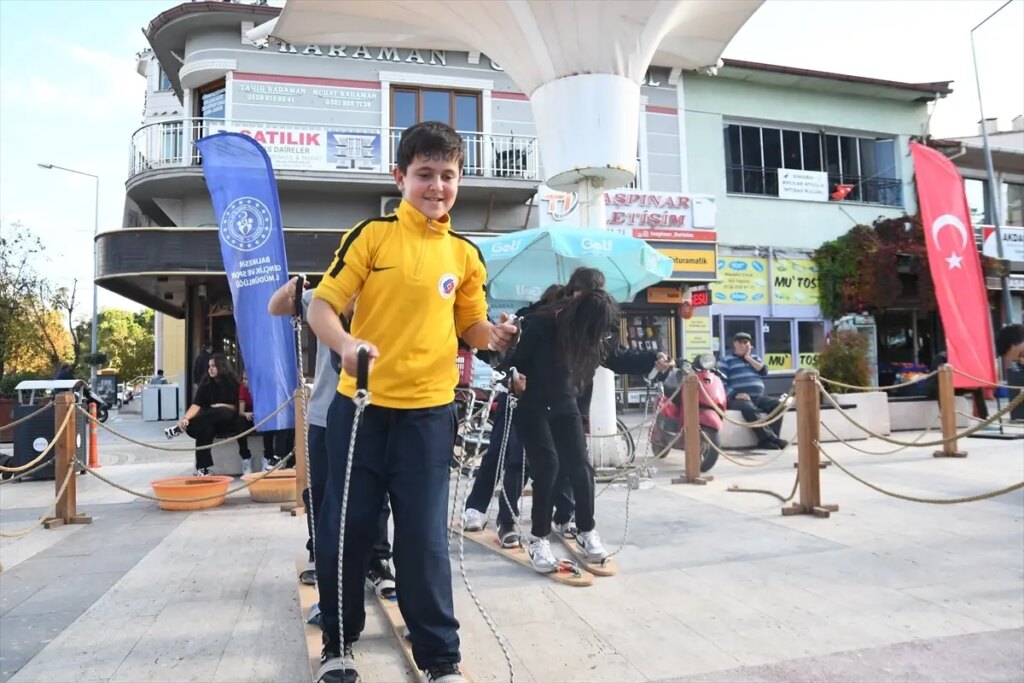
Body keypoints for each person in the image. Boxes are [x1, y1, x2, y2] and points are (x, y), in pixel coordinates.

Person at [307, 121, 515, 683]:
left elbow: (470, 325)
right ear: (399, 177)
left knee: (423, 540)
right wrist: (345, 345)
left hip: (429, 415)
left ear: (459, 181)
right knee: (347, 529)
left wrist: (494, 337)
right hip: (361, 411)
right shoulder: (371, 236)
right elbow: (322, 306)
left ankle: (441, 659)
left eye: (447, 175)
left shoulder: (465, 254)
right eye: (425, 174)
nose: (436, 186)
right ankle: (338, 644)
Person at [267, 277, 396, 598]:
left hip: (373, 410)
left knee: (374, 491)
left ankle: (377, 559)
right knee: (322, 489)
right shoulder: (327, 294)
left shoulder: (385, 293)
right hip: (325, 411)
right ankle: (322, 553)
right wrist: (290, 289)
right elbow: (276, 307)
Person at [507, 286, 622, 573]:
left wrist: (654, 362)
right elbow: (513, 362)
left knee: (581, 467)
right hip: (533, 403)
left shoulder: (591, 337)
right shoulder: (541, 325)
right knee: (548, 466)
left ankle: (586, 530)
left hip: (564, 402)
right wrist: (513, 378)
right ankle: (539, 538)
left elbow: (617, 359)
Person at [165, 353, 241, 476]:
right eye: (209, 366)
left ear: (222, 366)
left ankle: (181, 428)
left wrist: (220, 405)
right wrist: (185, 418)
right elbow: (196, 405)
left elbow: (235, 407)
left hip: (227, 421)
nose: (210, 369)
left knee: (222, 411)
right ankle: (202, 469)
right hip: (207, 421)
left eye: (214, 366)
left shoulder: (233, 383)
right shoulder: (206, 383)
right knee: (205, 429)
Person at [720, 332, 787, 450]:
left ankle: (769, 439)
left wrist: (748, 358)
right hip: (736, 399)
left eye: (745, 342)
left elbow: (764, 371)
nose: (743, 345)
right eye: (740, 342)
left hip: (757, 397)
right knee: (748, 407)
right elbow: (721, 382)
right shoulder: (726, 360)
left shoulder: (755, 358)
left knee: (778, 405)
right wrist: (735, 394)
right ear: (734, 344)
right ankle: (771, 439)